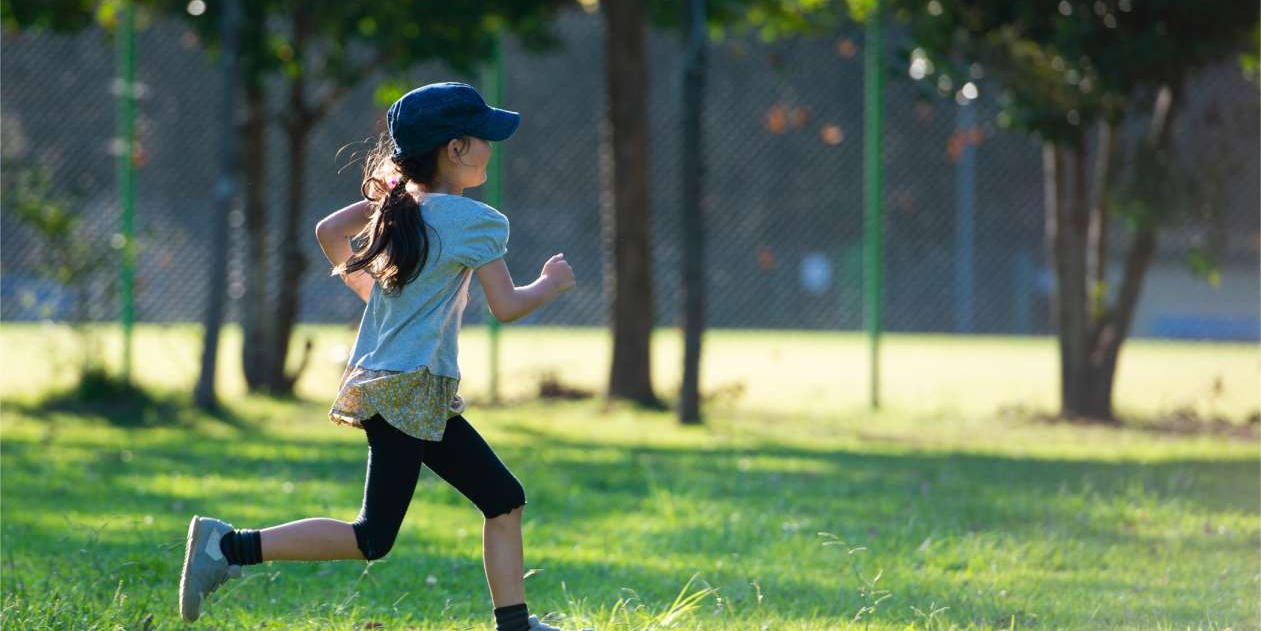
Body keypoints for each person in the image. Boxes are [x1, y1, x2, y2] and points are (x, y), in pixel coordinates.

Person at [178, 82, 587, 631]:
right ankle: (227, 547)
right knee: (373, 536)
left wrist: (369, 291)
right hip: (407, 391)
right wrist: (551, 283)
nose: (491, 149)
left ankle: (515, 625)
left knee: (504, 499)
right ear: (455, 148)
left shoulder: (398, 207)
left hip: (404, 389)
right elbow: (507, 306)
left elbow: (329, 232)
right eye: (482, 138)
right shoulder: (476, 221)